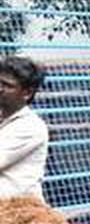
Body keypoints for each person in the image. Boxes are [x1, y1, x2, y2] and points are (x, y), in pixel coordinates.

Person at [0, 56, 49, 201]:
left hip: (17, 213)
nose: (0, 89)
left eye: (7, 85)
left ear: (27, 93)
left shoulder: (31, 127)